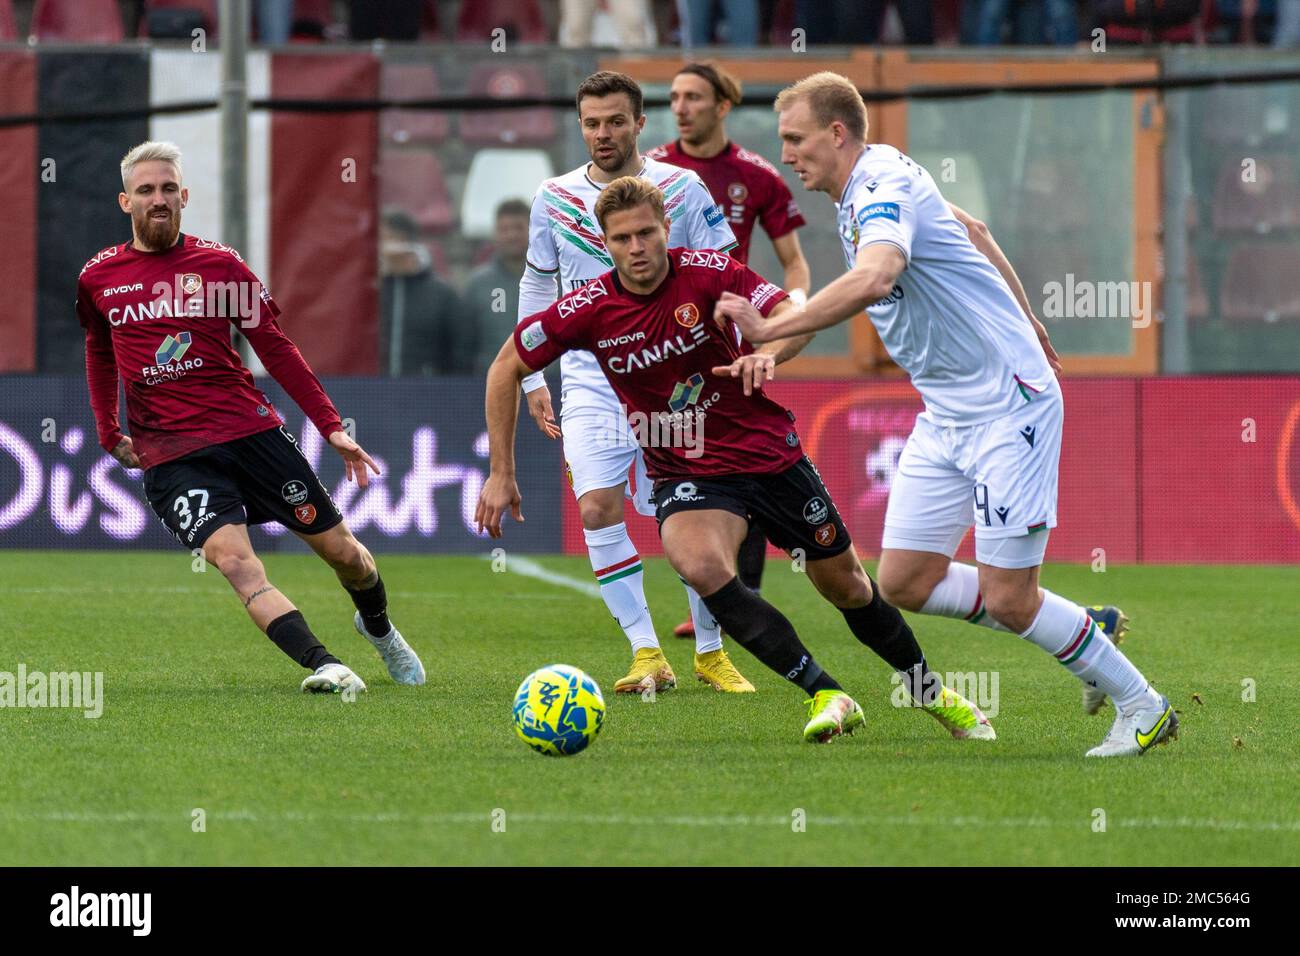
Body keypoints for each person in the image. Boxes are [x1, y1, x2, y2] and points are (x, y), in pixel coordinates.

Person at [720, 72, 1176, 757]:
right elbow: (975, 230)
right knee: (904, 579)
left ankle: (1144, 706)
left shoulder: (879, 187)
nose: (786, 154)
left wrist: (765, 331)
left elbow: (874, 278)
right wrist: (1029, 319)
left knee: (1012, 598)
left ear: (837, 133)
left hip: (1005, 405)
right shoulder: (869, 186)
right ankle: (1087, 626)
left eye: (795, 138)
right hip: (947, 411)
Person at [477, 177, 996, 743]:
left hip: (767, 454)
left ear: (666, 229)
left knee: (847, 586)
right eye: (623, 238)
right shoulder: (590, 307)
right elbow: (506, 368)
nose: (637, 247)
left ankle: (930, 693)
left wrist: (766, 353)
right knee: (698, 565)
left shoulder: (709, 274)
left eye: (647, 232)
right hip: (687, 470)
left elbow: (791, 317)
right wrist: (502, 471)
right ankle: (826, 692)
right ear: (605, 243)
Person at [77, 141, 425, 694]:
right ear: (126, 202)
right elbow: (98, 348)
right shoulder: (99, 277)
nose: (159, 199)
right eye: (146, 190)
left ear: (184, 196)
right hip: (171, 454)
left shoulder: (220, 265)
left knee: (345, 555)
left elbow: (277, 348)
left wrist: (330, 425)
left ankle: (379, 629)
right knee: (237, 563)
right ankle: (326, 665)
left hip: (250, 433)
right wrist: (106, 428)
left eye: (168, 188)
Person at [517, 71, 754, 695]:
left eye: (615, 121)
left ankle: (710, 650)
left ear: (639, 124)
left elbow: (726, 274)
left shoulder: (682, 187)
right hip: (591, 376)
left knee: (688, 515)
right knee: (597, 505)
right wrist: (531, 378)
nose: (602, 133)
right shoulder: (554, 197)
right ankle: (646, 652)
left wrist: (734, 358)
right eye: (591, 122)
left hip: (677, 379)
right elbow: (539, 284)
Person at [649, 61, 811, 640]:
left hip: (730, 335)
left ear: (722, 106)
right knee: (685, 455)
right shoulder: (655, 172)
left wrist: (792, 313)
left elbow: (793, 262)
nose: (681, 107)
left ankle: (745, 596)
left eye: (694, 97)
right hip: (662, 335)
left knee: (745, 453)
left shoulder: (757, 175)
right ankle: (717, 592)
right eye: (673, 97)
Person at [379, 208, 472, 376]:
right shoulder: (367, 295)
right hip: (371, 392)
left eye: (387, 239)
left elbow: (460, 353)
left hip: (426, 394)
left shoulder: (442, 295)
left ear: (404, 242)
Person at [465, 199, 530, 375]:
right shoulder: (478, 284)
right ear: (495, 234)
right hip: (494, 384)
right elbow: (465, 344)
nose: (512, 235)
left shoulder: (558, 280)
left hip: (551, 385)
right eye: (504, 229)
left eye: (518, 228)